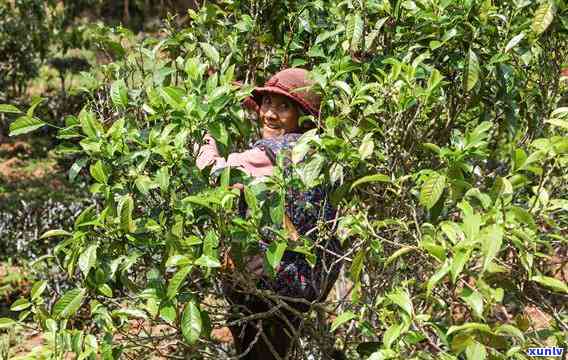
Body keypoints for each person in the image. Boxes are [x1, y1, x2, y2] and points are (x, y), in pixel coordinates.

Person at [196, 68, 341, 359]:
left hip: (268, 282)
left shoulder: (270, 152)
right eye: (266, 104)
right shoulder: (321, 151)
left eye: (283, 107)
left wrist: (206, 131)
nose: (270, 114)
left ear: (302, 116)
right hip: (309, 282)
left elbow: (209, 168)